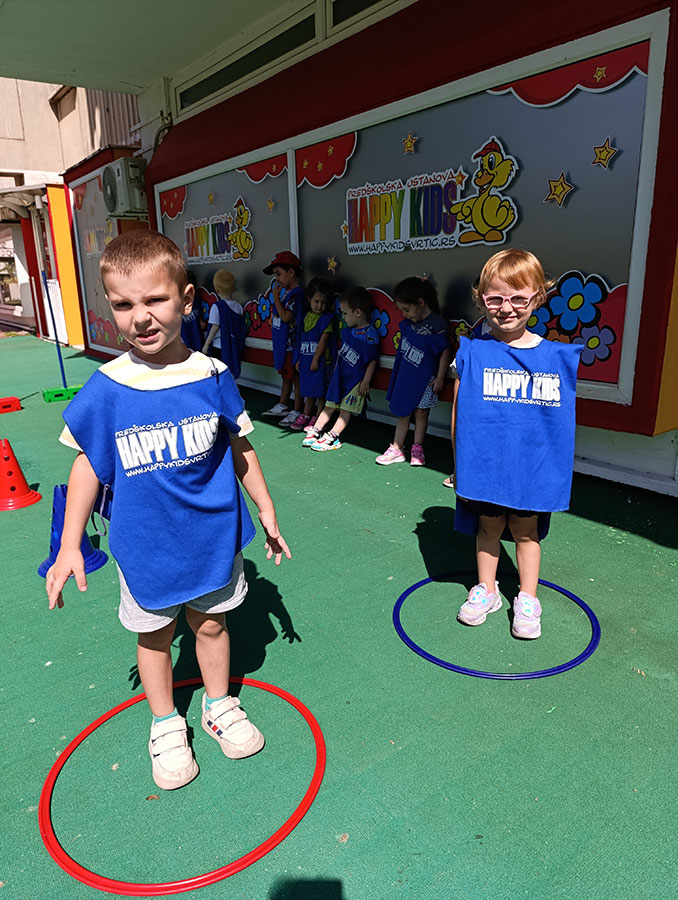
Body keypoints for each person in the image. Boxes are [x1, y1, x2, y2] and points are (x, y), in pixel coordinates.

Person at [45, 231, 291, 791]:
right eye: (123, 304)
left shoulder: (212, 375)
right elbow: (86, 465)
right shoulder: (108, 386)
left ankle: (219, 703)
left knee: (211, 623)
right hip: (145, 544)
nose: (140, 317)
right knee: (155, 634)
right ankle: (165, 723)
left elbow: (240, 447)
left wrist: (267, 509)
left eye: (155, 299)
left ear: (186, 298)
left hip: (212, 537)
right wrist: (69, 545)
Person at [452, 249, 582, 639]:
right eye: (495, 298)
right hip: (486, 465)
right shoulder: (471, 351)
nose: (506, 308)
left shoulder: (556, 358)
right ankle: (487, 589)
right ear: (481, 300)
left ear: (538, 297)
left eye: (518, 298)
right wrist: (459, 462)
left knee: (527, 532)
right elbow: (459, 412)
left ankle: (528, 597)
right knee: (488, 527)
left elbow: (559, 427)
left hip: (532, 469)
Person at [376, 277, 450, 467]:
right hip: (406, 376)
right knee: (403, 412)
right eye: (401, 310)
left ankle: (417, 448)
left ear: (420, 302)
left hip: (426, 378)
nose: (404, 314)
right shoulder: (408, 324)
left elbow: (444, 351)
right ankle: (396, 448)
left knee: (421, 413)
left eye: (406, 309)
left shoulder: (437, 324)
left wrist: (441, 377)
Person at [302, 286, 379, 452]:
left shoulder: (370, 334)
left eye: (345, 313)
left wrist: (366, 380)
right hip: (339, 377)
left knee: (345, 410)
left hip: (355, 381)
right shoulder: (346, 331)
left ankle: (333, 436)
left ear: (357, 312)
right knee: (329, 405)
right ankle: (316, 429)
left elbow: (372, 360)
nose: (343, 317)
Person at [261, 251, 305, 425]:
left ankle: (297, 409)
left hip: (294, 345)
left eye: (279, 274)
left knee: (295, 377)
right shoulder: (286, 293)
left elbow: (286, 317)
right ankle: (283, 405)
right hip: (284, 345)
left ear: (291, 272)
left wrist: (276, 298)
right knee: (286, 375)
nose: (277, 279)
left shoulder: (297, 294)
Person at [290, 277, 337, 432]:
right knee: (309, 390)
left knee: (321, 392)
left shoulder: (326, 319)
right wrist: (299, 359)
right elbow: (301, 340)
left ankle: (319, 417)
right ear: (309, 299)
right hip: (307, 360)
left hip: (322, 363)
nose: (320, 306)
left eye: (323, 302)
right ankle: (306, 414)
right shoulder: (305, 317)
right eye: (316, 301)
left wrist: (316, 359)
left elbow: (324, 341)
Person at [202, 269, 247, 380]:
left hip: (219, 346)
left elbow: (215, 326)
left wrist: (206, 344)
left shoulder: (216, 307)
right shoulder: (238, 306)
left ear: (217, 290)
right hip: (234, 345)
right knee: (231, 372)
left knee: (219, 374)